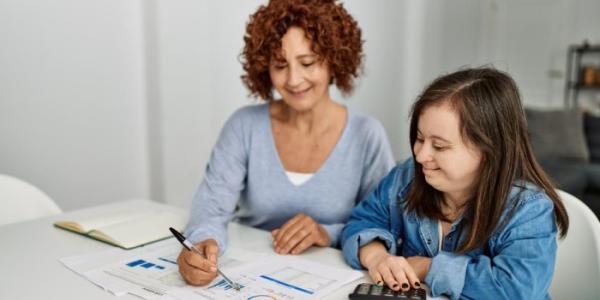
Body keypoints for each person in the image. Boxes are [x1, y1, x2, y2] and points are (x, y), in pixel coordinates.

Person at [177, 0, 395, 286]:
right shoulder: (244, 126)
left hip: (332, 281)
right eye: (280, 65)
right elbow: (211, 208)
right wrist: (202, 242)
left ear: (334, 60)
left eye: (307, 63)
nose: (293, 79)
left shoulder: (366, 135)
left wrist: (325, 233)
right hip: (247, 275)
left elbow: (384, 226)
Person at [340, 67, 569, 299]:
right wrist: (376, 256)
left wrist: (428, 267)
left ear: (488, 151)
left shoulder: (529, 210)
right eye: (419, 139)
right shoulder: (406, 176)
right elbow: (363, 220)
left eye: (439, 146)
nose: (420, 156)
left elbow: (516, 290)